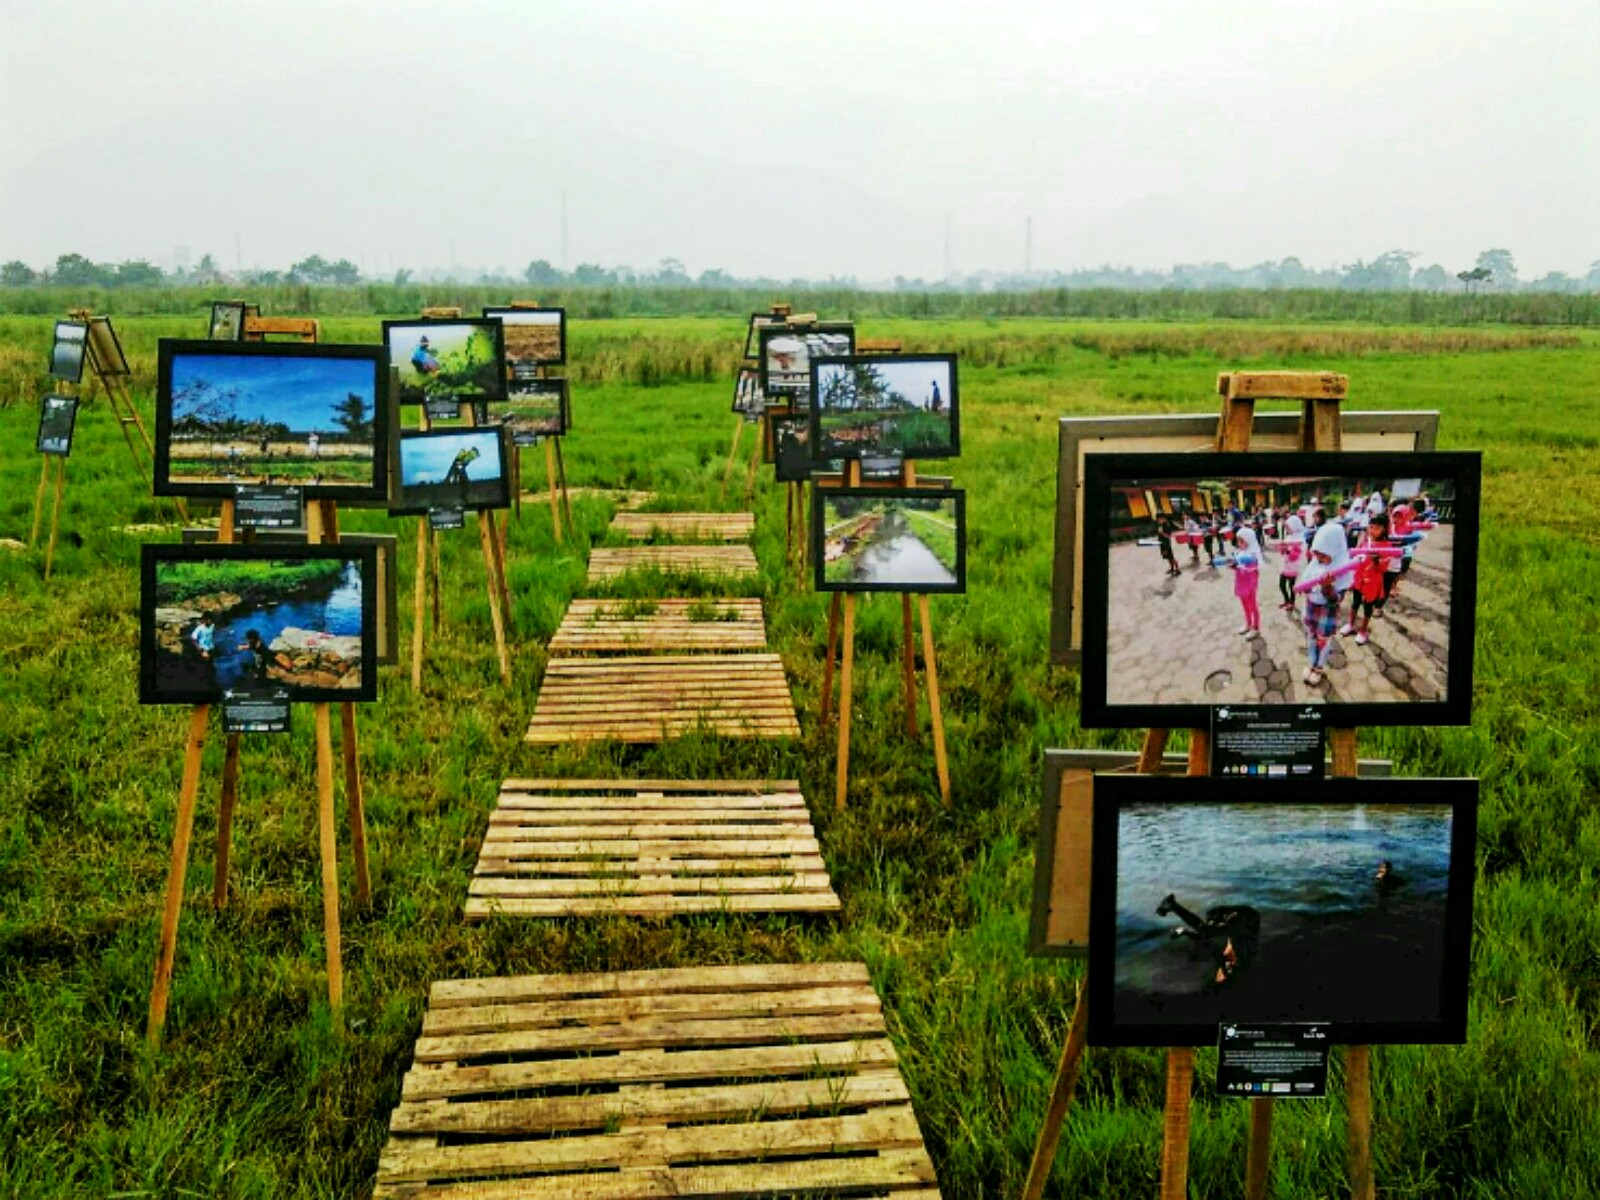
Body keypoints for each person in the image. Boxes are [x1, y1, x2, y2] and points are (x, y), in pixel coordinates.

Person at [1156, 893, 1261, 985]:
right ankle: (1172, 905)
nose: (1226, 969)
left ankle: (1171, 906)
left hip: (1246, 918)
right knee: (1206, 929)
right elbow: (1209, 936)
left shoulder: (1228, 959)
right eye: (1227, 971)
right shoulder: (1241, 961)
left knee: (1207, 928)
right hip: (1248, 920)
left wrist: (1185, 932)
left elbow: (1205, 939)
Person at [1298, 521, 1350, 686]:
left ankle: (1319, 667)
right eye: (1316, 553)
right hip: (1311, 607)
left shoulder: (1342, 568)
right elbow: (1307, 583)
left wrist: (1327, 587)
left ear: (1335, 549)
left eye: (1322, 553)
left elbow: (1337, 600)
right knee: (1311, 637)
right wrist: (1303, 588)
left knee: (1323, 640)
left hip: (1327, 612)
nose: (1318, 557)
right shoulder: (1316, 562)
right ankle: (1311, 663)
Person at [1342, 512, 1393, 644]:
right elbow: (1357, 559)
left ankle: (1363, 631)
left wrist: (1377, 561)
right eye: (1371, 527)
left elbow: (1383, 569)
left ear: (1384, 529)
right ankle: (1351, 624)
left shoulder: (1387, 546)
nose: (1373, 531)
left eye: (1377, 528)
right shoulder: (1366, 541)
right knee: (1355, 603)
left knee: (1367, 607)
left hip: (1372, 582)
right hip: (1359, 579)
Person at [1230, 525, 1262, 636]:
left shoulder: (1254, 554)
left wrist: (1238, 562)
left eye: (1242, 541)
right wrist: (1234, 566)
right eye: (1238, 541)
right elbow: (1239, 567)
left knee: (1252, 606)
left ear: (1249, 540)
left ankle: (1255, 627)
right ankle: (1248, 623)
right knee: (1244, 605)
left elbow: (1250, 565)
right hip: (1241, 584)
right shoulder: (1241, 552)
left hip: (1250, 585)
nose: (1239, 544)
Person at [1274, 512, 1307, 610]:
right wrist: (1281, 548)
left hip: (1293, 566)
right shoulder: (1288, 537)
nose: (1287, 529)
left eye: (1288, 527)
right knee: (1281, 585)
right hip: (1285, 565)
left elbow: (1296, 556)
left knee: (1291, 586)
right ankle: (1286, 600)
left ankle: (1291, 603)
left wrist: (1287, 550)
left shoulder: (1300, 539)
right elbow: (1283, 553)